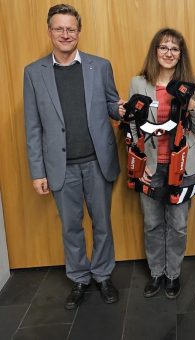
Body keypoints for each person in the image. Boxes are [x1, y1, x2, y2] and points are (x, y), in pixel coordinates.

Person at [24, 4, 125, 310]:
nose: (65, 34)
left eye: (71, 28)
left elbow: (111, 104)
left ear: (79, 31)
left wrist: (119, 110)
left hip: (97, 162)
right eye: (59, 28)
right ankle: (80, 278)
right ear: (50, 31)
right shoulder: (33, 73)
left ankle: (103, 275)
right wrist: (37, 172)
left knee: (102, 223)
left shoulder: (100, 66)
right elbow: (33, 126)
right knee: (71, 226)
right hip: (60, 167)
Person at [128, 28, 195, 299]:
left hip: (183, 167)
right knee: (151, 223)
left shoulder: (192, 83)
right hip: (151, 167)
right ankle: (156, 273)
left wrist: (193, 107)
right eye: (164, 47)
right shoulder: (139, 83)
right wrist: (143, 162)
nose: (169, 53)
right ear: (155, 51)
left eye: (174, 48)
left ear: (180, 54)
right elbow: (134, 126)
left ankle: (172, 275)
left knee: (178, 224)